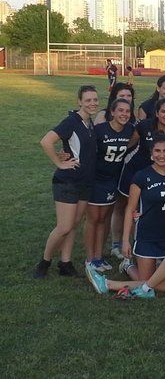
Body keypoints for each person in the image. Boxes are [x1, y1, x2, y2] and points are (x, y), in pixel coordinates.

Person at [33, 85, 99, 278]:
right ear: (79, 102)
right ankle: (44, 261)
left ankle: (66, 263)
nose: (92, 103)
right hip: (67, 182)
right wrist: (59, 163)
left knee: (74, 224)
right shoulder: (72, 121)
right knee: (64, 226)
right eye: (88, 100)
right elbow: (46, 141)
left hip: (85, 182)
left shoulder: (89, 123)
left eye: (95, 100)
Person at [121, 135, 165, 281]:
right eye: (158, 151)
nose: (162, 155)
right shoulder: (141, 176)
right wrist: (125, 240)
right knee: (147, 283)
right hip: (147, 236)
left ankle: (159, 263)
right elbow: (130, 209)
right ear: (151, 153)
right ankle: (127, 266)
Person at [84, 98, 135, 271]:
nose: (124, 114)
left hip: (112, 181)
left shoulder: (130, 130)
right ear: (112, 112)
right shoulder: (99, 130)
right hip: (95, 179)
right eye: (120, 110)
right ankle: (90, 259)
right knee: (93, 219)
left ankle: (98, 257)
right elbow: (84, 149)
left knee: (104, 220)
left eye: (127, 111)